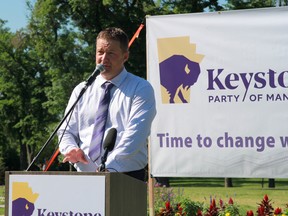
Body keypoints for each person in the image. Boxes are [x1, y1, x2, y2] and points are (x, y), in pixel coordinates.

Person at [58, 27, 156, 181]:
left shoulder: (141, 88)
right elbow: (65, 131)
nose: (104, 59)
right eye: (100, 52)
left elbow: (136, 134)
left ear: (125, 56)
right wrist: (71, 148)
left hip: (125, 177)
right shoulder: (82, 89)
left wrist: (107, 167)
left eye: (111, 53)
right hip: (85, 176)